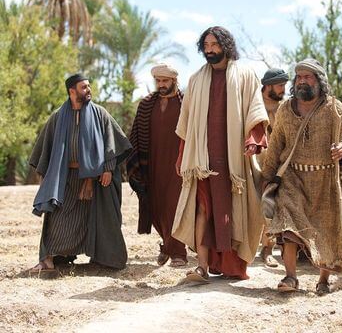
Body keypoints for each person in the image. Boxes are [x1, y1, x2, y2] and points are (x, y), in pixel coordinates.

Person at [173, 26, 269, 282]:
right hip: (202, 159)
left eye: (214, 44)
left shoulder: (246, 75)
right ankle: (202, 266)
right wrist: (183, 155)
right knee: (202, 209)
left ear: (225, 46)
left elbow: (255, 111)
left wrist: (253, 139)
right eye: (206, 45)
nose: (209, 50)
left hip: (233, 159)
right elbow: (186, 123)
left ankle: (233, 265)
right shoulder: (196, 80)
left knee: (233, 210)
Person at [262, 58, 342, 294]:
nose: (302, 81)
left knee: (326, 231)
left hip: (326, 181)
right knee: (289, 227)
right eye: (300, 77)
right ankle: (290, 277)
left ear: (319, 81)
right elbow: (276, 145)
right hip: (293, 178)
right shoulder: (285, 109)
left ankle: (324, 280)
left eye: (308, 77)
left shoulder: (335, 108)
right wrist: (267, 176)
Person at [29, 73, 132, 275]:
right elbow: (45, 148)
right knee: (58, 219)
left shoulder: (100, 114)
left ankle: (105, 260)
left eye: (89, 86)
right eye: (84, 87)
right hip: (65, 179)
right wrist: (47, 177)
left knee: (99, 220)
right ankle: (50, 259)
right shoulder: (58, 117)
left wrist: (108, 169)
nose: (88, 90)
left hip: (95, 179)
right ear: (72, 91)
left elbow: (112, 142)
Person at [127, 63, 187, 267]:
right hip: (151, 163)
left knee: (173, 206)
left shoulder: (185, 103)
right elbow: (135, 134)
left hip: (179, 164)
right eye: (158, 81)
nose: (161, 85)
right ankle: (167, 245)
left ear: (174, 81)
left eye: (165, 81)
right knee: (156, 207)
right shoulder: (146, 104)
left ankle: (178, 252)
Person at [258, 68, 289, 268]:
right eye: (280, 86)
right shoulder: (253, 104)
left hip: (278, 164)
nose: (283, 90)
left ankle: (268, 249)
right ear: (268, 86)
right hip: (254, 161)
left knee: (274, 204)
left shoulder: (284, 108)